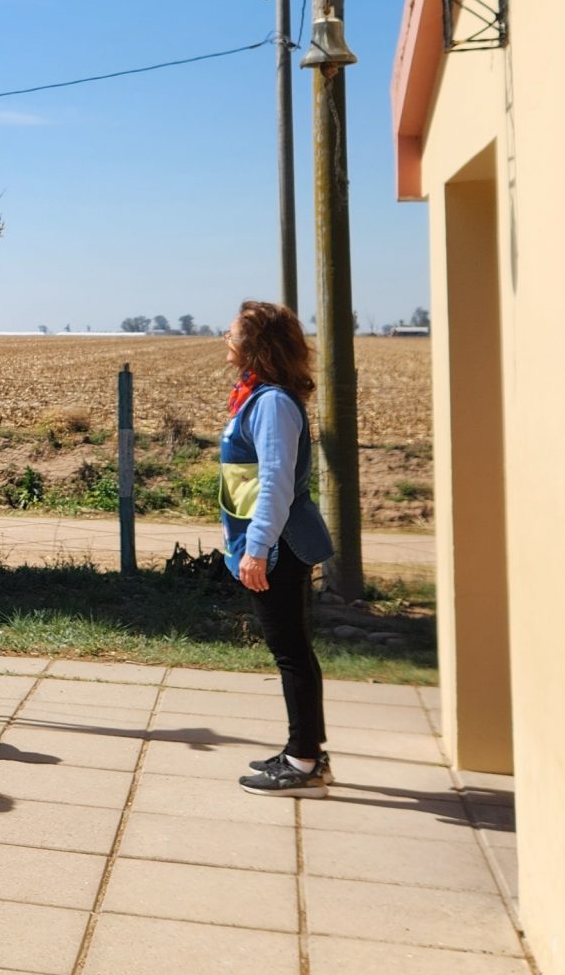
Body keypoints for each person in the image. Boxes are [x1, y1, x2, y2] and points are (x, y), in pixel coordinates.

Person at [219, 300, 338, 796]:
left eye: (232, 331)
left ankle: (304, 761)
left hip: (277, 547)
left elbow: (275, 485)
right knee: (293, 649)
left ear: (254, 344)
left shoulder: (271, 403)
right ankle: (304, 749)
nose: (225, 338)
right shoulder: (259, 397)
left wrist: (256, 548)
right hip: (269, 543)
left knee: (290, 651)